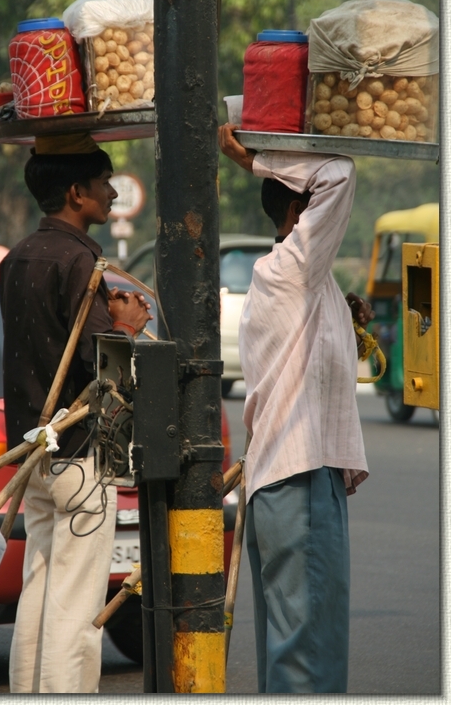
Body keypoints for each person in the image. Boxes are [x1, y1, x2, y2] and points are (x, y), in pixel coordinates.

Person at [218, 123, 372, 694]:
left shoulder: (303, 278)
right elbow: (340, 171)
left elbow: (311, 363)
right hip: (298, 481)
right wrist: (251, 160)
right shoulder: (292, 270)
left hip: (294, 481)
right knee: (307, 658)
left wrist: (349, 327)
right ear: (302, 206)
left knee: (299, 648)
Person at [0, 141, 151, 694]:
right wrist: (127, 329)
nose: (113, 192)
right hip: (81, 454)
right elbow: (98, 366)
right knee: (75, 609)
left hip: (35, 451)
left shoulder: (16, 258)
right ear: (76, 193)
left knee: (39, 594)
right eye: (104, 183)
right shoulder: (80, 260)